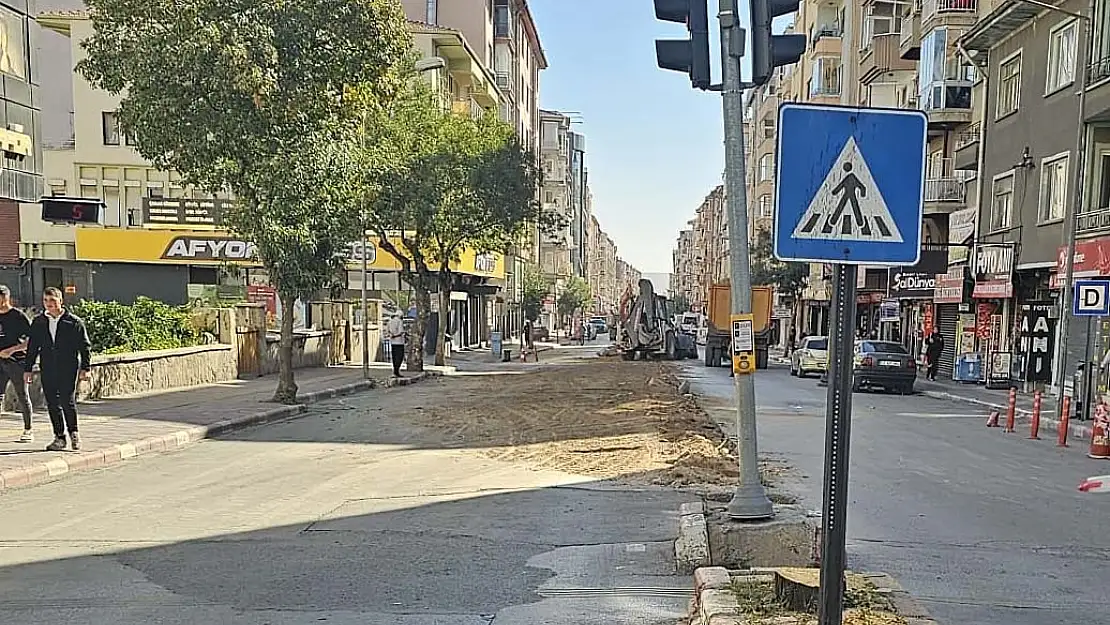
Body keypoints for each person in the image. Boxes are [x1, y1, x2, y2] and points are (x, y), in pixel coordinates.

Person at [22, 287, 91, 451]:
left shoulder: (73, 322)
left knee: (67, 400)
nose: (49, 304)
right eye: (46, 301)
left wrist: (85, 368)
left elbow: (85, 347)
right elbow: (33, 347)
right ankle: (59, 436)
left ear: (61, 301)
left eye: (52, 300)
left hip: (68, 367)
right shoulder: (39, 322)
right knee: (52, 402)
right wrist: (28, 369)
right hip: (48, 367)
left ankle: (74, 433)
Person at [0, 285, 34, 442]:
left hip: (16, 362)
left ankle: (28, 430)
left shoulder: (18, 316)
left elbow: (31, 341)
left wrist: (12, 350)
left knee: (22, 395)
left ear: (6, 298)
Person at [386, 310, 406, 378]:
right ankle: (396, 371)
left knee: (394, 357)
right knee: (400, 357)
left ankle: (395, 371)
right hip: (399, 342)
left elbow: (387, 331)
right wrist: (396, 335)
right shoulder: (399, 321)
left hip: (392, 342)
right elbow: (401, 332)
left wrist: (392, 335)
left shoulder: (390, 321)